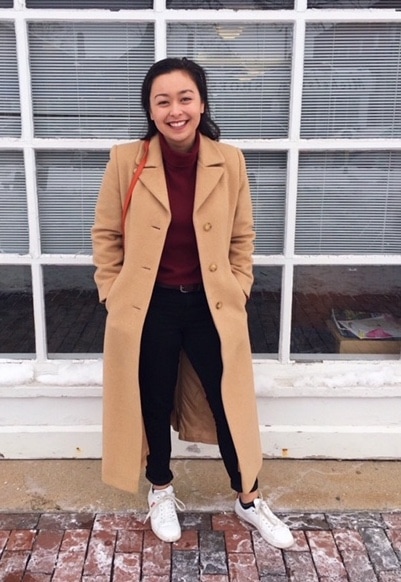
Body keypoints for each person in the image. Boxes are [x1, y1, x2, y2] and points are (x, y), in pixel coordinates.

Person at [91, 57, 294, 549]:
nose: (175, 110)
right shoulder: (126, 160)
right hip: (149, 306)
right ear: (150, 109)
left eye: (185, 98)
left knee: (230, 404)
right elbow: (106, 236)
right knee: (153, 400)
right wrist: (113, 294)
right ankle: (160, 489)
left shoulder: (231, 160)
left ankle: (248, 499)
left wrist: (238, 285)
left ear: (202, 104)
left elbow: (242, 236)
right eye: (163, 101)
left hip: (211, 306)